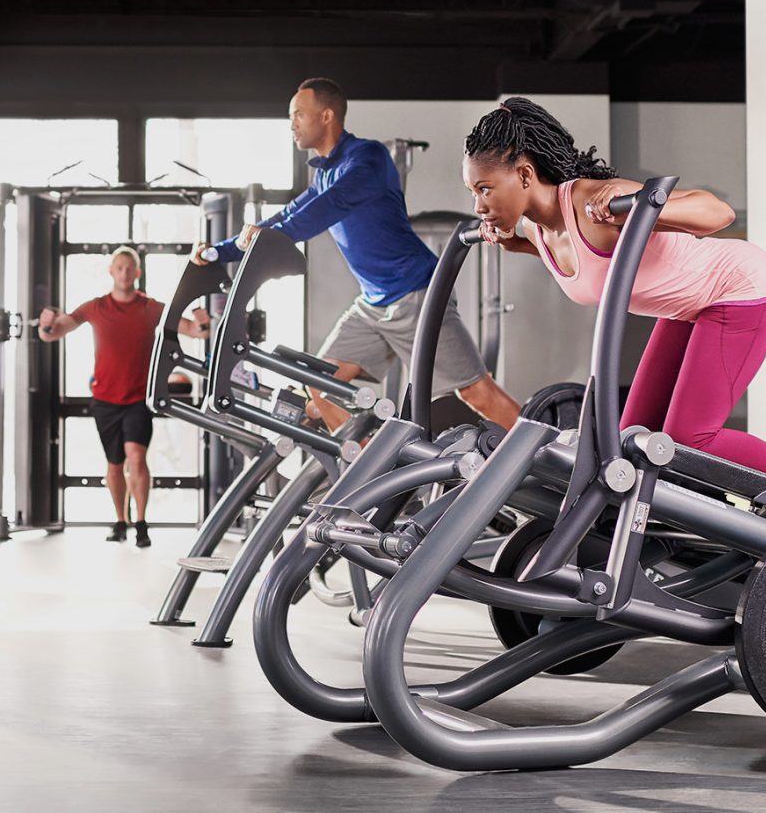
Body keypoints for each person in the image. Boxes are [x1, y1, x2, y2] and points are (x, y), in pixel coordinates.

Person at [462, 96, 766, 505]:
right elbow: (593, 266)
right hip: (687, 308)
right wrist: (518, 247)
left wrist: (640, 208)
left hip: (738, 290)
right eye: (473, 193)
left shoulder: (591, 199)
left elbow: (718, 213)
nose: (478, 205)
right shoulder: (538, 230)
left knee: (689, 438)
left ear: (523, 174)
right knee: (632, 437)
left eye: (484, 189)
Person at [195, 77, 520, 428]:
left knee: (475, 393)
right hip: (373, 304)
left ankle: (552, 455)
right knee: (317, 386)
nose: (292, 124)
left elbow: (324, 209)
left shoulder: (367, 159)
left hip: (415, 294)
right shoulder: (325, 174)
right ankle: (368, 468)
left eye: (298, 114)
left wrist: (267, 236)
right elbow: (288, 214)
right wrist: (219, 251)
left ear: (327, 116)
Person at [36, 247, 210, 547]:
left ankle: (141, 523)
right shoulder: (95, 307)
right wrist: (45, 324)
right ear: (111, 271)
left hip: (139, 399)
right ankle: (120, 520)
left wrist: (203, 321)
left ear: (138, 273)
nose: (125, 273)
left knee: (137, 457)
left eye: (130, 268)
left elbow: (195, 331)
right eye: (119, 268)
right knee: (114, 464)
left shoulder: (151, 307)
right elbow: (53, 333)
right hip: (105, 399)